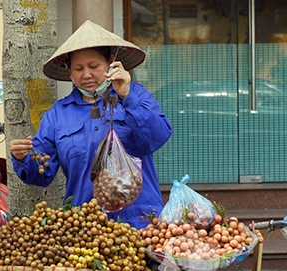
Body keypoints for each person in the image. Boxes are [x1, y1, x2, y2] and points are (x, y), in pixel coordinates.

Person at [9, 20, 172, 230]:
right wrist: (23, 158)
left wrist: (126, 96)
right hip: (86, 229)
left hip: (141, 224)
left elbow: (158, 136)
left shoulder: (136, 94)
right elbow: (41, 174)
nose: (86, 75)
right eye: (78, 68)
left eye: (94, 66)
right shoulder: (58, 115)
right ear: (69, 71)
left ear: (110, 61)